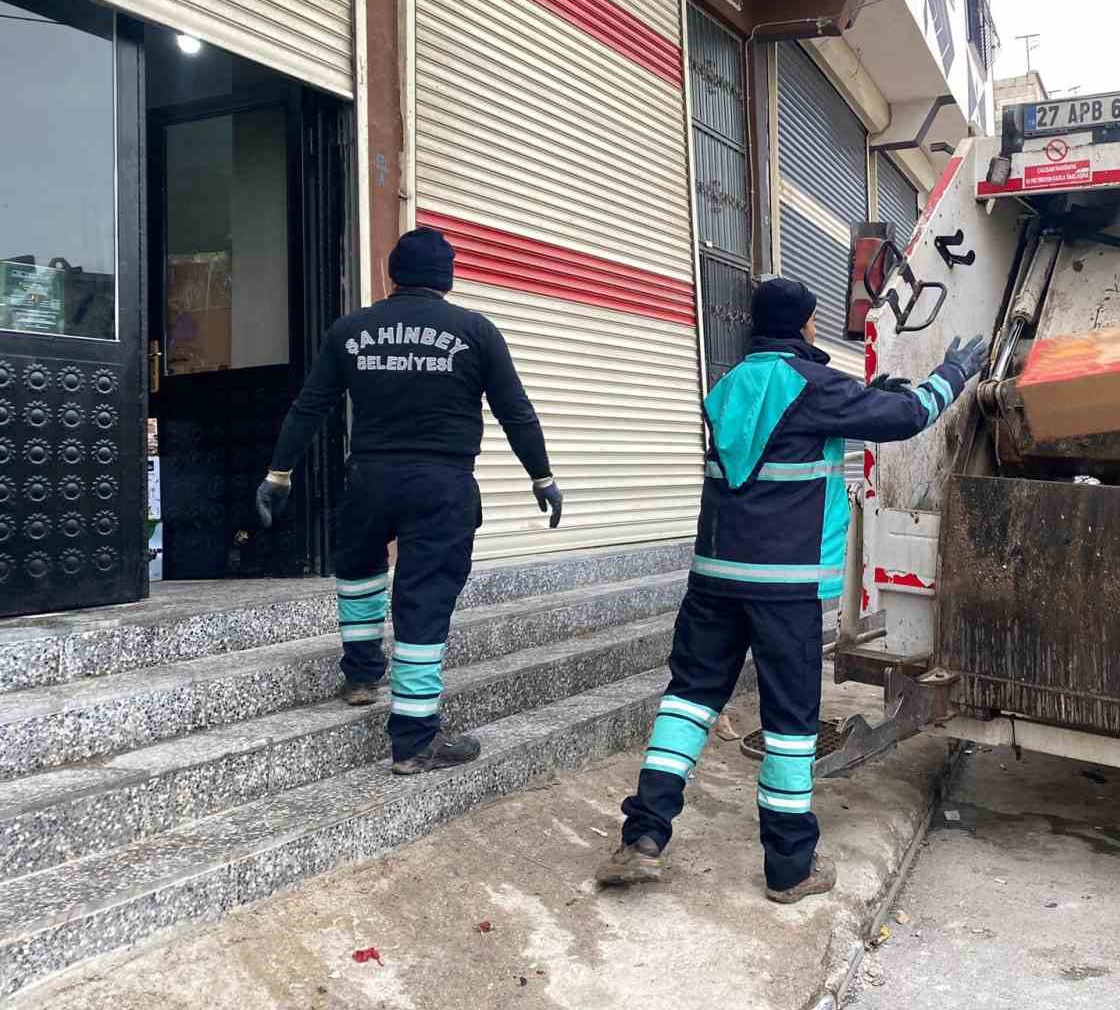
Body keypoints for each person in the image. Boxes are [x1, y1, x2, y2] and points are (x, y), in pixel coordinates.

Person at [595, 276, 986, 902]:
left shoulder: (726, 387)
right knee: (790, 724)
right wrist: (952, 373)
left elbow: (783, 432)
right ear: (806, 326)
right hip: (784, 589)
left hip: (714, 580)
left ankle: (642, 835)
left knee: (690, 700)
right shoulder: (815, 386)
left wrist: (861, 398)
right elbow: (909, 417)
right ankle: (789, 869)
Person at [256, 227, 563, 775]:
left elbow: (309, 407)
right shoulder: (475, 331)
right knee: (423, 601)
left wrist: (279, 474)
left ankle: (359, 675)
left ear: (391, 275)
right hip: (442, 486)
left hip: (369, 479)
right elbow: (516, 411)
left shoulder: (351, 330)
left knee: (359, 572)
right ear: (446, 279)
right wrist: (541, 476)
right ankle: (415, 739)